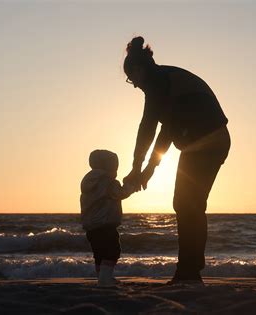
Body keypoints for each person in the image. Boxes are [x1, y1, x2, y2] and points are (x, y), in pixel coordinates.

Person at [122, 36, 231, 284]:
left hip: (206, 142)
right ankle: (191, 269)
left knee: (187, 204)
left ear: (138, 70)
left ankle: (189, 271)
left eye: (132, 79)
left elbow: (147, 128)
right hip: (206, 142)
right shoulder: (166, 79)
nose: (135, 85)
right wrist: (148, 168)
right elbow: (166, 131)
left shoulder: (157, 82)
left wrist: (137, 168)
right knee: (187, 204)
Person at [80, 149, 135, 286]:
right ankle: (105, 279)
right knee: (113, 251)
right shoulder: (108, 182)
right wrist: (131, 186)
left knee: (99, 254)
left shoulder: (88, 183)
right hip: (106, 224)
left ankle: (102, 278)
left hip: (91, 227)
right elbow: (120, 193)